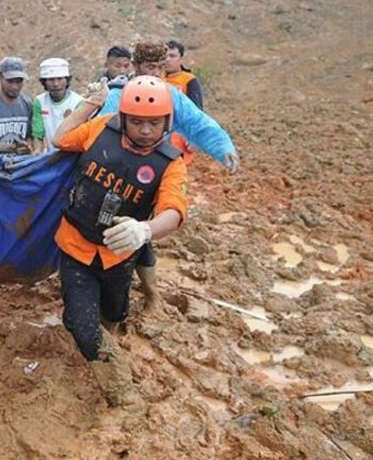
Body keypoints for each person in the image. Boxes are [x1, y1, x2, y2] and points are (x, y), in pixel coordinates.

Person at [53, 75, 187, 407]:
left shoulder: (170, 163)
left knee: (114, 313)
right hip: (76, 244)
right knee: (82, 325)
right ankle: (121, 393)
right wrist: (90, 103)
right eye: (138, 122)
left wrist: (145, 231)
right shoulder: (100, 130)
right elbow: (60, 139)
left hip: (119, 254)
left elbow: (174, 210)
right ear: (123, 118)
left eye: (154, 124)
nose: (145, 131)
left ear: (166, 122)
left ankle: (105, 340)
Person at [100, 40, 239, 311]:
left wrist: (223, 147)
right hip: (113, 176)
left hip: (151, 174)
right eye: (150, 67)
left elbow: (197, 122)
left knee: (142, 233)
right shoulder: (119, 94)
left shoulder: (171, 95)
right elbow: (97, 132)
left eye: (161, 68)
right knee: (107, 232)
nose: (156, 74)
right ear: (137, 66)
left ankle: (150, 294)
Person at [30, 58, 85, 152]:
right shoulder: (40, 101)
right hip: (51, 155)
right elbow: (38, 134)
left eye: (60, 79)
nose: (56, 84)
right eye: (51, 80)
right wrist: (37, 152)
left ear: (67, 80)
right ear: (44, 82)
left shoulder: (78, 102)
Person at [164, 40, 203, 110]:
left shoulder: (189, 79)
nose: (167, 59)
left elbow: (196, 109)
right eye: (164, 56)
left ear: (181, 58)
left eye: (172, 56)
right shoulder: (155, 79)